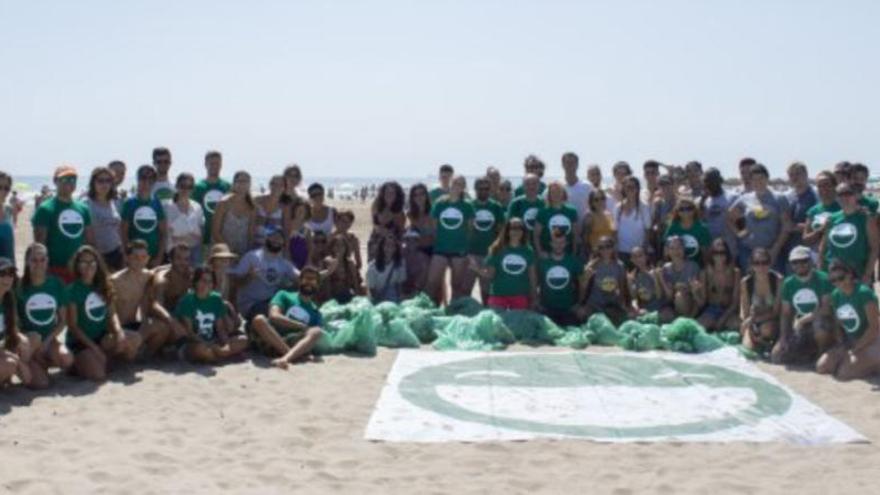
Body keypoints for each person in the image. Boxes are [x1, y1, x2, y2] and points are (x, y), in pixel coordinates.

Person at [65, 246, 142, 380]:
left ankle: (102, 358)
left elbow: (112, 314)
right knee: (98, 375)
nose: (89, 266)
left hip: (102, 337)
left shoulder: (103, 285)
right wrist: (94, 348)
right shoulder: (72, 290)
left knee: (134, 339)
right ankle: (77, 364)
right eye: (84, 262)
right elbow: (73, 326)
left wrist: (119, 332)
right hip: (81, 342)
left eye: (92, 262)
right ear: (77, 266)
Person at [17, 243, 73, 387]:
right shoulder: (19, 287)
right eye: (34, 260)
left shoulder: (57, 283)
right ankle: (31, 362)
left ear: (47, 261)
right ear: (27, 262)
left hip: (48, 340)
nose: (39, 264)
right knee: (41, 384)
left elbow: (62, 321)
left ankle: (41, 363)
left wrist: (47, 341)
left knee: (67, 359)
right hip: (28, 342)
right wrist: (34, 349)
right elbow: (15, 324)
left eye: (42, 260)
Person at [249, 266, 324, 369]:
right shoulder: (284, 295)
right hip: (270, 340)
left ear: (318, 285)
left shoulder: (316, 312)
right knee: (259, 319)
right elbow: (274, 316)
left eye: (313, 280)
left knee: (317, 331)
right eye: (306, 278)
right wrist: (300, 326)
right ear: (300, 281)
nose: (309, 282)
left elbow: (312, 337)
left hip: (293, 342)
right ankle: (290, 356)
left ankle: (285, 358)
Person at [817, 260, 880, 379]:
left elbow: (874, 328)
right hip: (851, 340)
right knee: (822, 367)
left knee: (844, 374)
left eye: (841, 278)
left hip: (872, 340)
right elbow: (839, 323)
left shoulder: (864, 293)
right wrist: (842, 344)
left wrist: (855, 350)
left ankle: (875, 362)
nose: (838, 283)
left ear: (850, 275)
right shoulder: (836, 295)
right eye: (833, 280)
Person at [772, 246, 834, 365]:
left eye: (804, 260)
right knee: (777, 356)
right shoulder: (788, 283)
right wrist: (783, 337)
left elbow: (826, 309)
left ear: (811, 261)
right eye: (795, 262)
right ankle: (809, 351)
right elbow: (785, 313)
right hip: (799, 326)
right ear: (791, 264)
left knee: (820, 327)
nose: (800, 265)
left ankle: (822, 352)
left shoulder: (824, 279)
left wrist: (803, 320)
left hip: (820, 321)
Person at [32, 165, 94, 283]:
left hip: (79, 268)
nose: (69, 183)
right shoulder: (45, 209)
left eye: (72, 179)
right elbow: (40, 243)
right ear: (55, 181)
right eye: (64, 179)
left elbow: (89, 241)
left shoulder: (83, 208)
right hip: (54, 269)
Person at [173, 266, 248, 363]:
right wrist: (211, 346)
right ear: (196, 282)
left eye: (210, 281)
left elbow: (220, 328)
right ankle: (218, 356)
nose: (207, 284)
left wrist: (226, 345)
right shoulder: (187, 300)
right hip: (192, 343)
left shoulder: (216, 298)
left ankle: (217, 355)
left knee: (243, 340)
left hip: (213, 340)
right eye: (203, 281)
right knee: (201, 350)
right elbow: (189, 333)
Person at [113, 240, 173, 358]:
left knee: (163, 327)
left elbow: (161, 269)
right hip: (119, 327)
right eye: (135, 257)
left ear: (147, 259)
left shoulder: (147, 276)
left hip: (136, 325)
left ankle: (145, 356)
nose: (139, 261)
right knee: (128, 353)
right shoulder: (116, 281)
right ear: (128, 258)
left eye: (143, 257)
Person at [226, 227, 298, 322]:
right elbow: (235, 282)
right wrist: (248, 277)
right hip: (251, 304)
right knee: (275, 315)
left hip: (272, 303)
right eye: (273, 236)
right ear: (265, 239)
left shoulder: (284, 263)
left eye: (280, 238)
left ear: (284, 243)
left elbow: (302, 276)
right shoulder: (251, 257)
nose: (276, 240)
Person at [728, 163, 791, 272]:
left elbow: (786, 227)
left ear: (767, 179)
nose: (758, 182)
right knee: (750, 284)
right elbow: (729, 218)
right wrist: (739, 233)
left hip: (772, 250)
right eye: (754, 179)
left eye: (761, 178)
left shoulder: (779, 198)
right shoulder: (744, 199)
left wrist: (775, 249)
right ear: (750, 181)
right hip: (749, 251)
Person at [470, 217, 537, 310]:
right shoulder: (497, 249)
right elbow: (490, 275)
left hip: (520, 295)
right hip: (498, 295)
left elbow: (532, 278)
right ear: (507, 231)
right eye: (513, 228)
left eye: (520, 228)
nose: (516, 231)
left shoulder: (528, 251)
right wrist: (477, 269)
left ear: (523, 231)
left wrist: (534, 298)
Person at [427, 175, 474, 304]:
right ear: (450, 184)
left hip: (459, 250)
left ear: (463, 188)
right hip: (440, 249)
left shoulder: (467, 206)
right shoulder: (440, 203)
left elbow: (470, 229)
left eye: (460, 184)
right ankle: (430, 309)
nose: (457, 186)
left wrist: (462, 245)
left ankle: (453, 311)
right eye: (455, 183)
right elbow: (434, 226)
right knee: (432, 282)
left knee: (456, 285)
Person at [819, 182, 879, 282]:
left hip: (856, 274)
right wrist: (821, 271)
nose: (844, 197)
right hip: (833, 274)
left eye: (848, 193)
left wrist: (867, 274)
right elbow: (823, 247)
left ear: (855, 195)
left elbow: (875, 248)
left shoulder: (866, 218)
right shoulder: (831, 219)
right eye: (840, 194)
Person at [465, 177, 505, 302]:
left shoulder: (496, 207)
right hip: (470, 254)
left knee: (486, 292)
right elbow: (464, 230)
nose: (483, 191)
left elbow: (501, 231)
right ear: (475, 189)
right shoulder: (469, 205)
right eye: (480, 188)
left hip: (488, 255)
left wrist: (496, 252)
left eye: (486, 189)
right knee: (465, 289)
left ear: (490, 190)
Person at [121, 165, 168, 268]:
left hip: (153, 257)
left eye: (150, 179)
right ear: (137, 179)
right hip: (135, 259)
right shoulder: (129, 203)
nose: (146, 182)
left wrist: (159, 258)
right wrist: (127, 256)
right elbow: (123, 233)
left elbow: (163, 233)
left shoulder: (156, 202)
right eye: (143, 178)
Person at [740, 247, 784, 353]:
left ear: (770, 263)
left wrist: (753, 320)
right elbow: (745, 310)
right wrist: (748, 326)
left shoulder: (778, 280)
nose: (761, 266)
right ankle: (758, 341)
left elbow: (776, 312)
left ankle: (766, 343)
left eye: (764, 262)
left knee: (766, 330)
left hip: (771, 321)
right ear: (752, 265)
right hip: (753, 322)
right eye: (757, 263)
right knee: (747, 350)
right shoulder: (746, 282)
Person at [538, 232, 586, 325]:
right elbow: (534, 282)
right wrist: (536, 301)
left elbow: (583, 284)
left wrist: (579, 304)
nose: (559, 246)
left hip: (568, 307)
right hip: (547, 307)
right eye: (556, 242)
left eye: (562, 242)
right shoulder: (542, 261)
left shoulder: (573, 261)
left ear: (566, 244)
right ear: (551, 243)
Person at [583, 235, 631, 325]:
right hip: (595, 305)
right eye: (601, 247)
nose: (605, 250)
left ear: (613, 248)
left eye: (608, 247)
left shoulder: (620, 266)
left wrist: (623, 306)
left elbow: (622, 288)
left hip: (611, 304)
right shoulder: (592, 265)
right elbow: (584, 287)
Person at [0, 257, 32, 387]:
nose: (7, 278)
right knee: (10, 363)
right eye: (2, 274)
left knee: (25, 342)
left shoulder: (8, 298)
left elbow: (11, 329)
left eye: (11, 274)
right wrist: (15, 360)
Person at [698, 238, 741, 331]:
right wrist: (695, 292)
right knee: (700, 327)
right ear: (711, 254)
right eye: (716, 253)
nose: (719, 256)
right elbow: (703, 301)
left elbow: (735, 302)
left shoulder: (735, 272)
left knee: (736, 325)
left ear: (727, 254)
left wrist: (723, 318)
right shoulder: (705, 273)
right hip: (712, 309)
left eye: (722, 252)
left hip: (729, 310)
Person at [86, 167, 124, 271]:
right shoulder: (86, 204)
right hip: (96, 256)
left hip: (116, 253)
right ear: (93, 182)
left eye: (108, 180)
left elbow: (119, 228)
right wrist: (100, 260)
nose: (105, 184)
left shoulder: (116, 201)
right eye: (100, 180)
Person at [162, 172, 204, 266]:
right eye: (183, 186)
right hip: (173, 254)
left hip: (194, 255)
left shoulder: (197, 207)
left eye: (189, 187)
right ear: (176, 186)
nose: (186, 189)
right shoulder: (166, 207)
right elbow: (166, 234)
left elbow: (199, 236)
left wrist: (180, 238)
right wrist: (188, 237)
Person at [192, 150, 231, 251]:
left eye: (217, 163)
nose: (215, 166)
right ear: (205, 164)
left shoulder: (227, 187)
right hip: (204, 238)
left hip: (223, 238)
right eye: (212, 163)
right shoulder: (198, 187)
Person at [212, 171, 256, 257]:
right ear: (234, 184)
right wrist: (228, 250)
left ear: (249, 185)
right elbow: (215, 232)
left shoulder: (252, 207)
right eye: (239, 181)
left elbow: (250, 234)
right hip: (222, 253)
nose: (242, 184)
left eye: (245, 181)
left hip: (243, 252)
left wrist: (249, 254)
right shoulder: (223, 203)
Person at [783, 162, 818, 265]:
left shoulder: (816, 195)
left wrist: (794, 227)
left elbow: (819, 225)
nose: (794, 177)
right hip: (790, 248)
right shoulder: (788, 196)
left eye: (798, 174)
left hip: (811, 249)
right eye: (791, 175)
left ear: (806, 174)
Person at [534, 181, 579, 258]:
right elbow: (536, 235)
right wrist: (540, 252)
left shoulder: (572, 211)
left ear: (563, 193)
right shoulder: (542, 212)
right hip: (548, 255)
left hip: (567, 254)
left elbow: (575, 235)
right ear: (549, 195)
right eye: (553, 192)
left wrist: (574, 253)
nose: (556, 194)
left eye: (558, 191)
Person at [403, 183, 433, 297]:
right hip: (419, 247)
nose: (419, 197)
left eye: (422, 194)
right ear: (412, 198)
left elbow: (435, 236)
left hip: (433, 248)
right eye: (415, 195)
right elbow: (411, 230)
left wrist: (420, 239)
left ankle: (417, 291)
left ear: (426, 195)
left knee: (423, 261)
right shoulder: (411, 214)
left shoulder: (433, 211)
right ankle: (406, 291)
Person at [613, 176, 650, 266]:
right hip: (622, 251)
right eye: (627, 187)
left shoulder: (643, 207)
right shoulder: (618, 207)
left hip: (639, 253)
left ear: (637, 189)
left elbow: (648, 230)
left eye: (633, 187)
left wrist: (644, 251)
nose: (630, 189)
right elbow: (615, 231)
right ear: (624, 189)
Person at [700, 167, 737, 258]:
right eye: (706, 181)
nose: (709, 183)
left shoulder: (732, 197)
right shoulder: (705, 201)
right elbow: (702, 222)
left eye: (713, 180)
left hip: (730, 248)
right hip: (711, 250)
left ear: (720, 180)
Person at [663, 196, 711, 265]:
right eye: (681, 209)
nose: (685, 211)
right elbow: (666, 250)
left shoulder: (702, 228)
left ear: (694, 210)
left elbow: (705, 253)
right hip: (677, 266)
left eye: (689, 208)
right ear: (677, 212)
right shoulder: (672, 227)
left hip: (696, 266)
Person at [318, 233, 361, 304]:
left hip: (346, 294)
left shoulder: (349, 263)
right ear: (332, 247)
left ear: (345, 248)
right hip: (332, 295)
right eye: (336, 245)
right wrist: (329, 301)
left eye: (342, 246)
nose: (339, 248)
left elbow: (355, 282)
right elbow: (326, 284)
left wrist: (357, 299)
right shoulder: (327, 262)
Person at [368, 181, 406, 261]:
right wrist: (379, 229)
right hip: (375, 240)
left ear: (397, 195)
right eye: (387, 192)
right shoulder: (376, 205)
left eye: (392, 193)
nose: (389, 195)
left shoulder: (399, 213)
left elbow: (401, 231)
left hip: (392, 243)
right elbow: (374, 224)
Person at [803, 171, 839, 249]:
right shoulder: (813, 211)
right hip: (815, 255)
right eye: (820, 186)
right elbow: (806, 240)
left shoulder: (842, 208)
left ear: (834, 186)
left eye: (826, 184)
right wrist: (821, 230)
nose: (823, 188)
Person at [367, 234, 407, 303]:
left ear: (396, 248)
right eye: (387, 245)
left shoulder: (400, 263)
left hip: (394, 297)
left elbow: (399, 285)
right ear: (381, 247)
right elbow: (372, 289)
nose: (389, 248)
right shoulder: (372, 267)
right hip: (379, 298)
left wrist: (400, 299)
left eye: (392, 246)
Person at [628, 246, 663, 315]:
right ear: (631, 259)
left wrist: (655, 279)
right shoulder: (632, 276)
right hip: (643, 309)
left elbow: (659, 296)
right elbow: (634, 298)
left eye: (640, 256)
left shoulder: (656, 272)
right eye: (635, 257)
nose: (638, 259)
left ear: (646, 257)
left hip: (659, 308)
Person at [254, 175, 285, 250]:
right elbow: (250, 224)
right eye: (274, 184)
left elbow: (286, 230)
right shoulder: (257, 200)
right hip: (255, 244)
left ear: (284, 188)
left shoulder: (285, 207)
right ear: (269, 185)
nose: (277, 187)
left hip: (274, 248)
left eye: (280, 184)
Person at [581, 189, 616, 259]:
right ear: (591, 202)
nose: (600, 201)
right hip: (595, 255)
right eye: (596, 199)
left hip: (609, 255)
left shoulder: (609, 215)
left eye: (602, 198)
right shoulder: (589, 217)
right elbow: (585, 240)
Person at [562, 152, 593, 223]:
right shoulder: (558, 187)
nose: (570, 165)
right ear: (563, 165)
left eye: (572, 163)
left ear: (577, 165)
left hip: (585, 228)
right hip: (565, 229)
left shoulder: (587, 186)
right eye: (567, 163)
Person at [284, 197, 311, 269]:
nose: (300, 213)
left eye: (303, 211)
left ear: (306, 213)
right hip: (290, 257)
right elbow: (286, 245)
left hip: (302, 258)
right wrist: (288, 259)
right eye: (298, 210)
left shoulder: (307, 228)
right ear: (294, 210)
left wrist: (308, 261)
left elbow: (309, 247)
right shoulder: (288, 225)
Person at [0, 172, 16, 264]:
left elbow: (10, 248)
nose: (3, 191)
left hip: (8, 272)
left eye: (6, 188)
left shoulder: (8, 210)